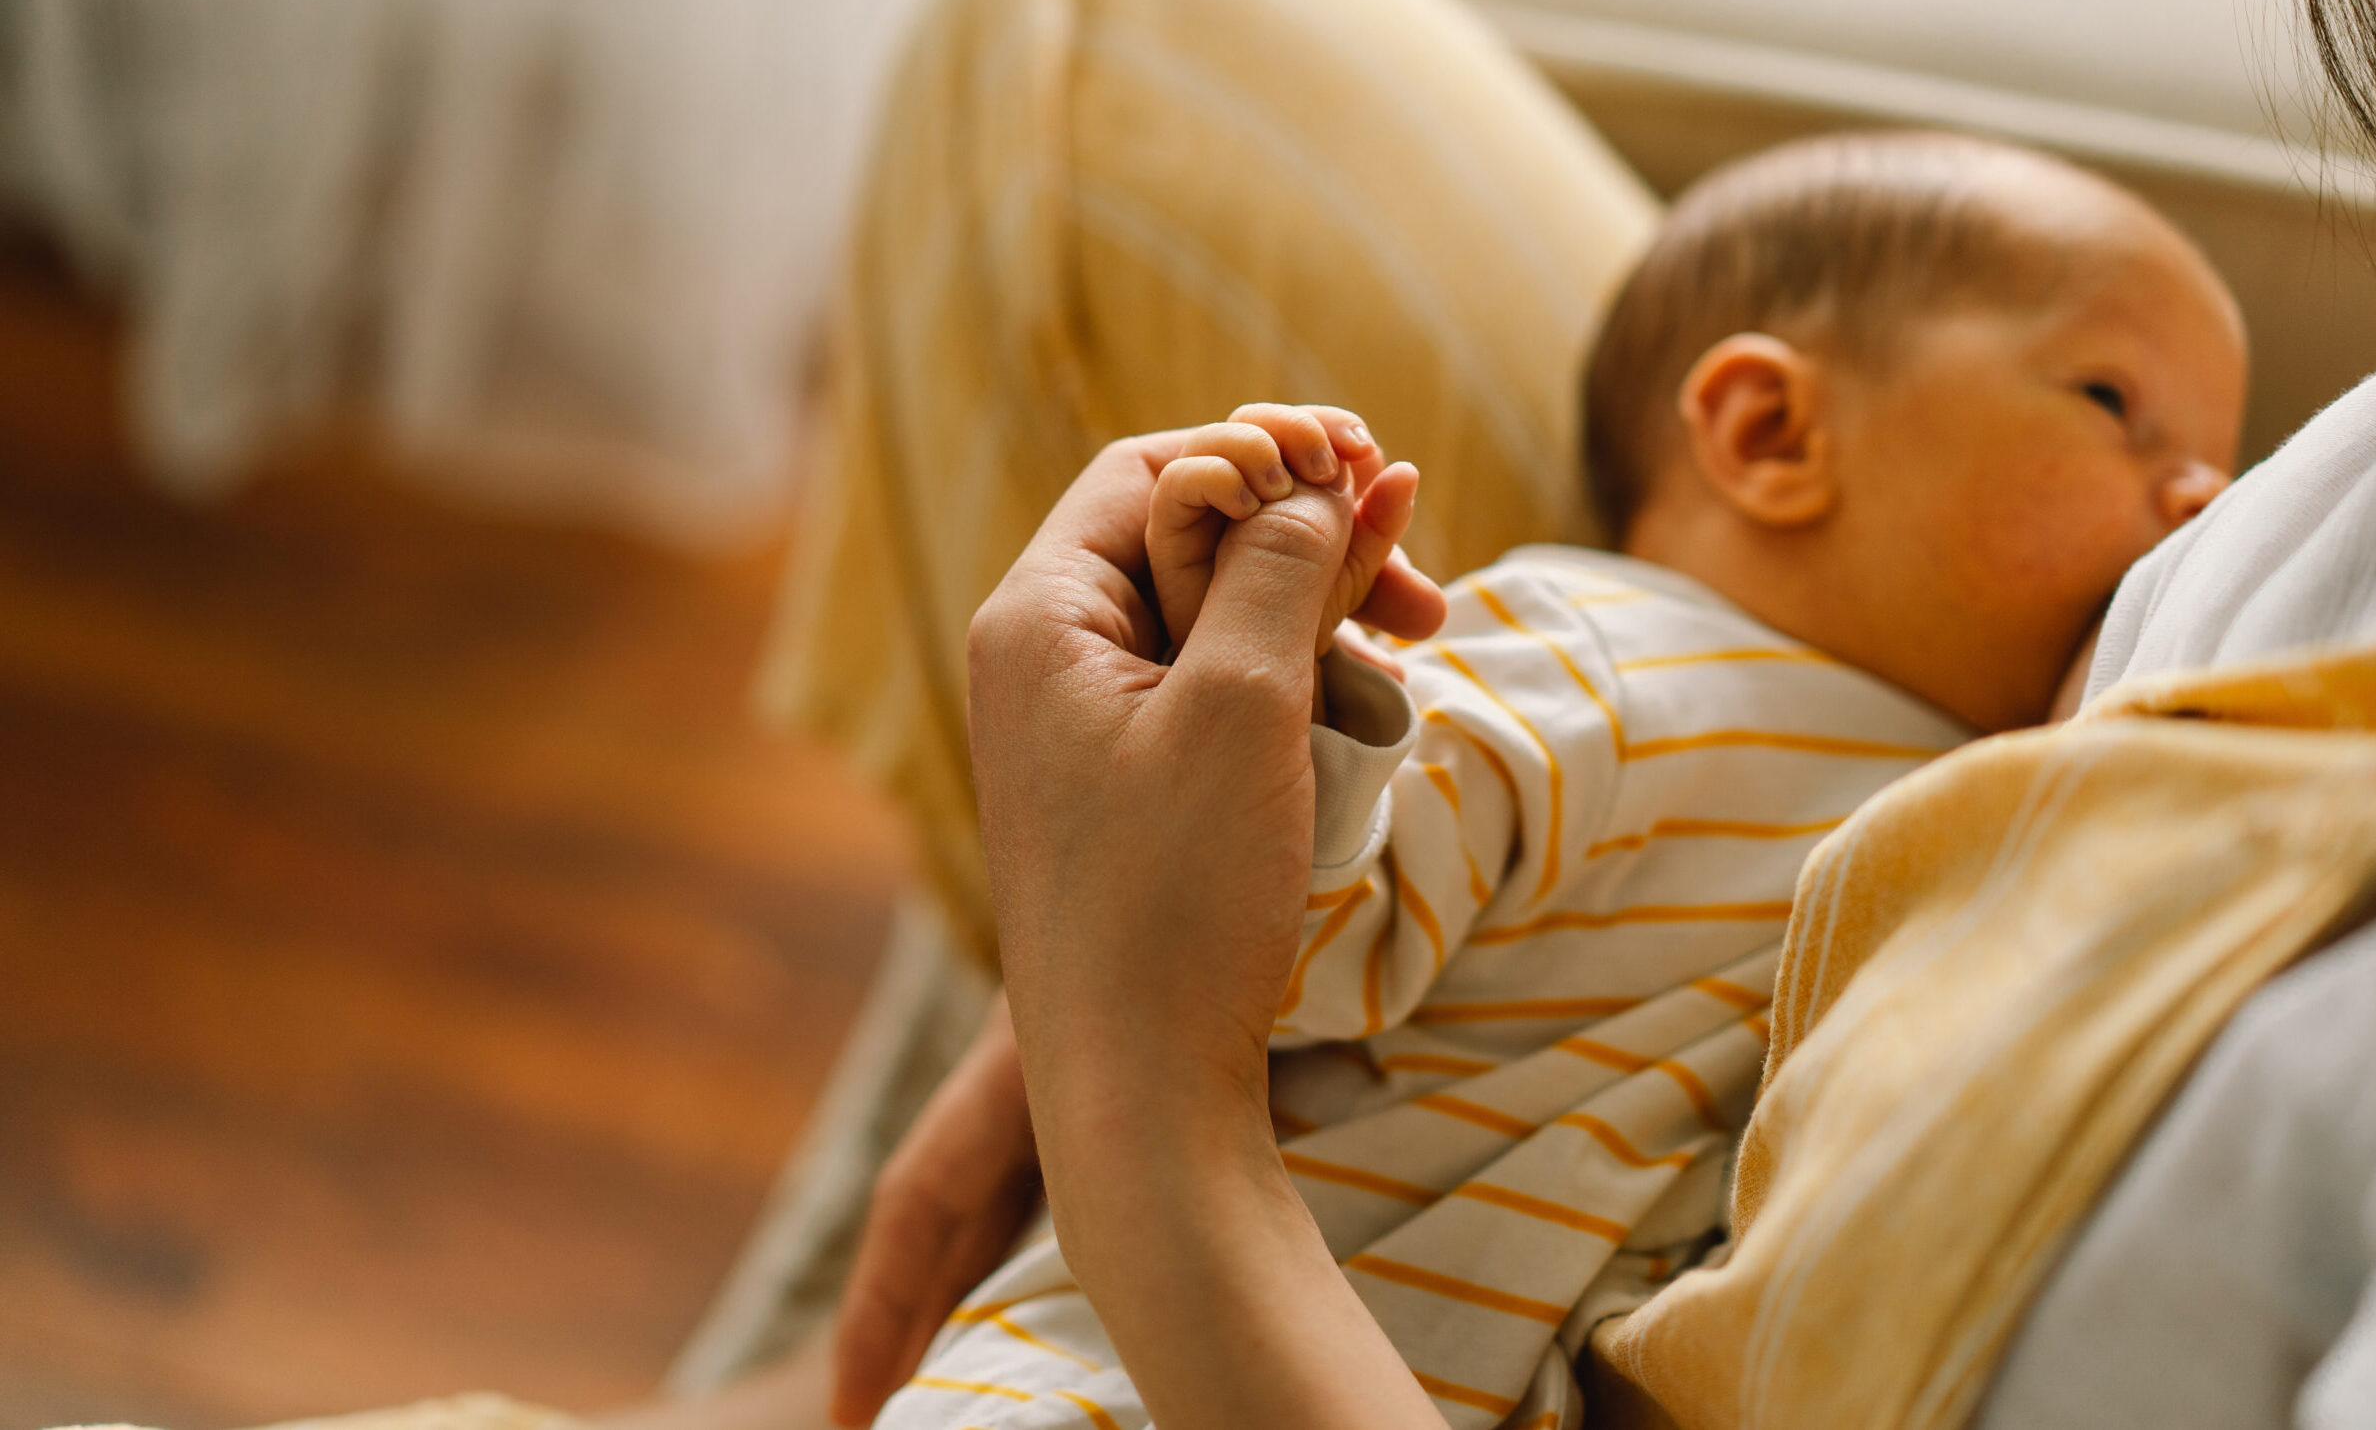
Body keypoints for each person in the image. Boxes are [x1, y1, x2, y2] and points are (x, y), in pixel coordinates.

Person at [868, 131, 2245, 1429]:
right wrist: (1303, 706)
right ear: (1769, 433)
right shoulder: (1596, 660)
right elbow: (1249, 945)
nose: (2202, 500)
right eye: (2115, 404)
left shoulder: (1969, 793)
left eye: (2222, 467)